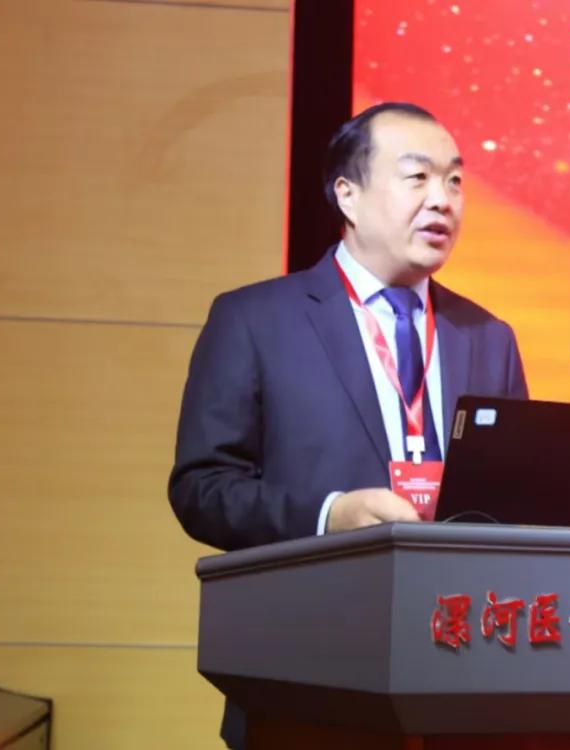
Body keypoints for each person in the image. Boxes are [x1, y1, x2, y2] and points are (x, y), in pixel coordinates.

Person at [168, 102, 529, 747]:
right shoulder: (256, 320)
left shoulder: (488, 336)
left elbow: (517, 503)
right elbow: (203, 488)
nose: (443, 200)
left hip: (463, 687)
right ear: (348, 196)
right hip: (307, 681)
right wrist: (330, 515)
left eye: (454, 181)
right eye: (417, 177)